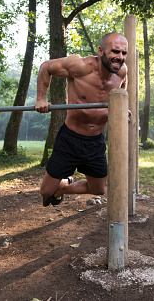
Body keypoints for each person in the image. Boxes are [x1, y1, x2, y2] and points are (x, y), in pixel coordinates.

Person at [35, 32, 128, 207]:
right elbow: (46, 66)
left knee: (98, 189)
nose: (120, 57)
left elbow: (123, 87)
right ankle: (55, 188)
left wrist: (122, 105)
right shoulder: (79, 66)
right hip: (70, 139)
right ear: (101, 51)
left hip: (95, 141)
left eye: (124, 53)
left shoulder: (122, 71)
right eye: (115, 52)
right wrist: (41, 98)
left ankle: (63, 187)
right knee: (45, 192)